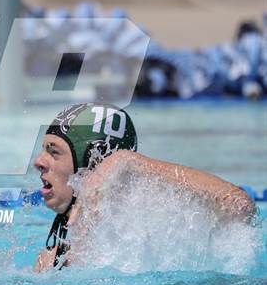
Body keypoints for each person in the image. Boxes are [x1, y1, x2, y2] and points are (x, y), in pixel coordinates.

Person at [34, 103, 256, 271]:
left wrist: (127, 161)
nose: (38, 162)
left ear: (94, 160)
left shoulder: (166, 220)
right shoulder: (52, 262)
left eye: (54, 152)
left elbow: (241, 206)